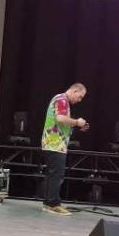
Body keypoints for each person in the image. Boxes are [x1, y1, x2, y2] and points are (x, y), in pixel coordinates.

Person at [40, 83, 88, 216]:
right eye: (80, 96)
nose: (79, 100)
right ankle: (53, 204)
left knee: (52, 174)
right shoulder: (62, 99)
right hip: (54, 144)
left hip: (52, 143)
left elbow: (61, 122)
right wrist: (77, 122)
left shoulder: (61, 99)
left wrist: (75, 126)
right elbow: (60, 118)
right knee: (57, 174)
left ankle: (48, 202)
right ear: (75, 90)